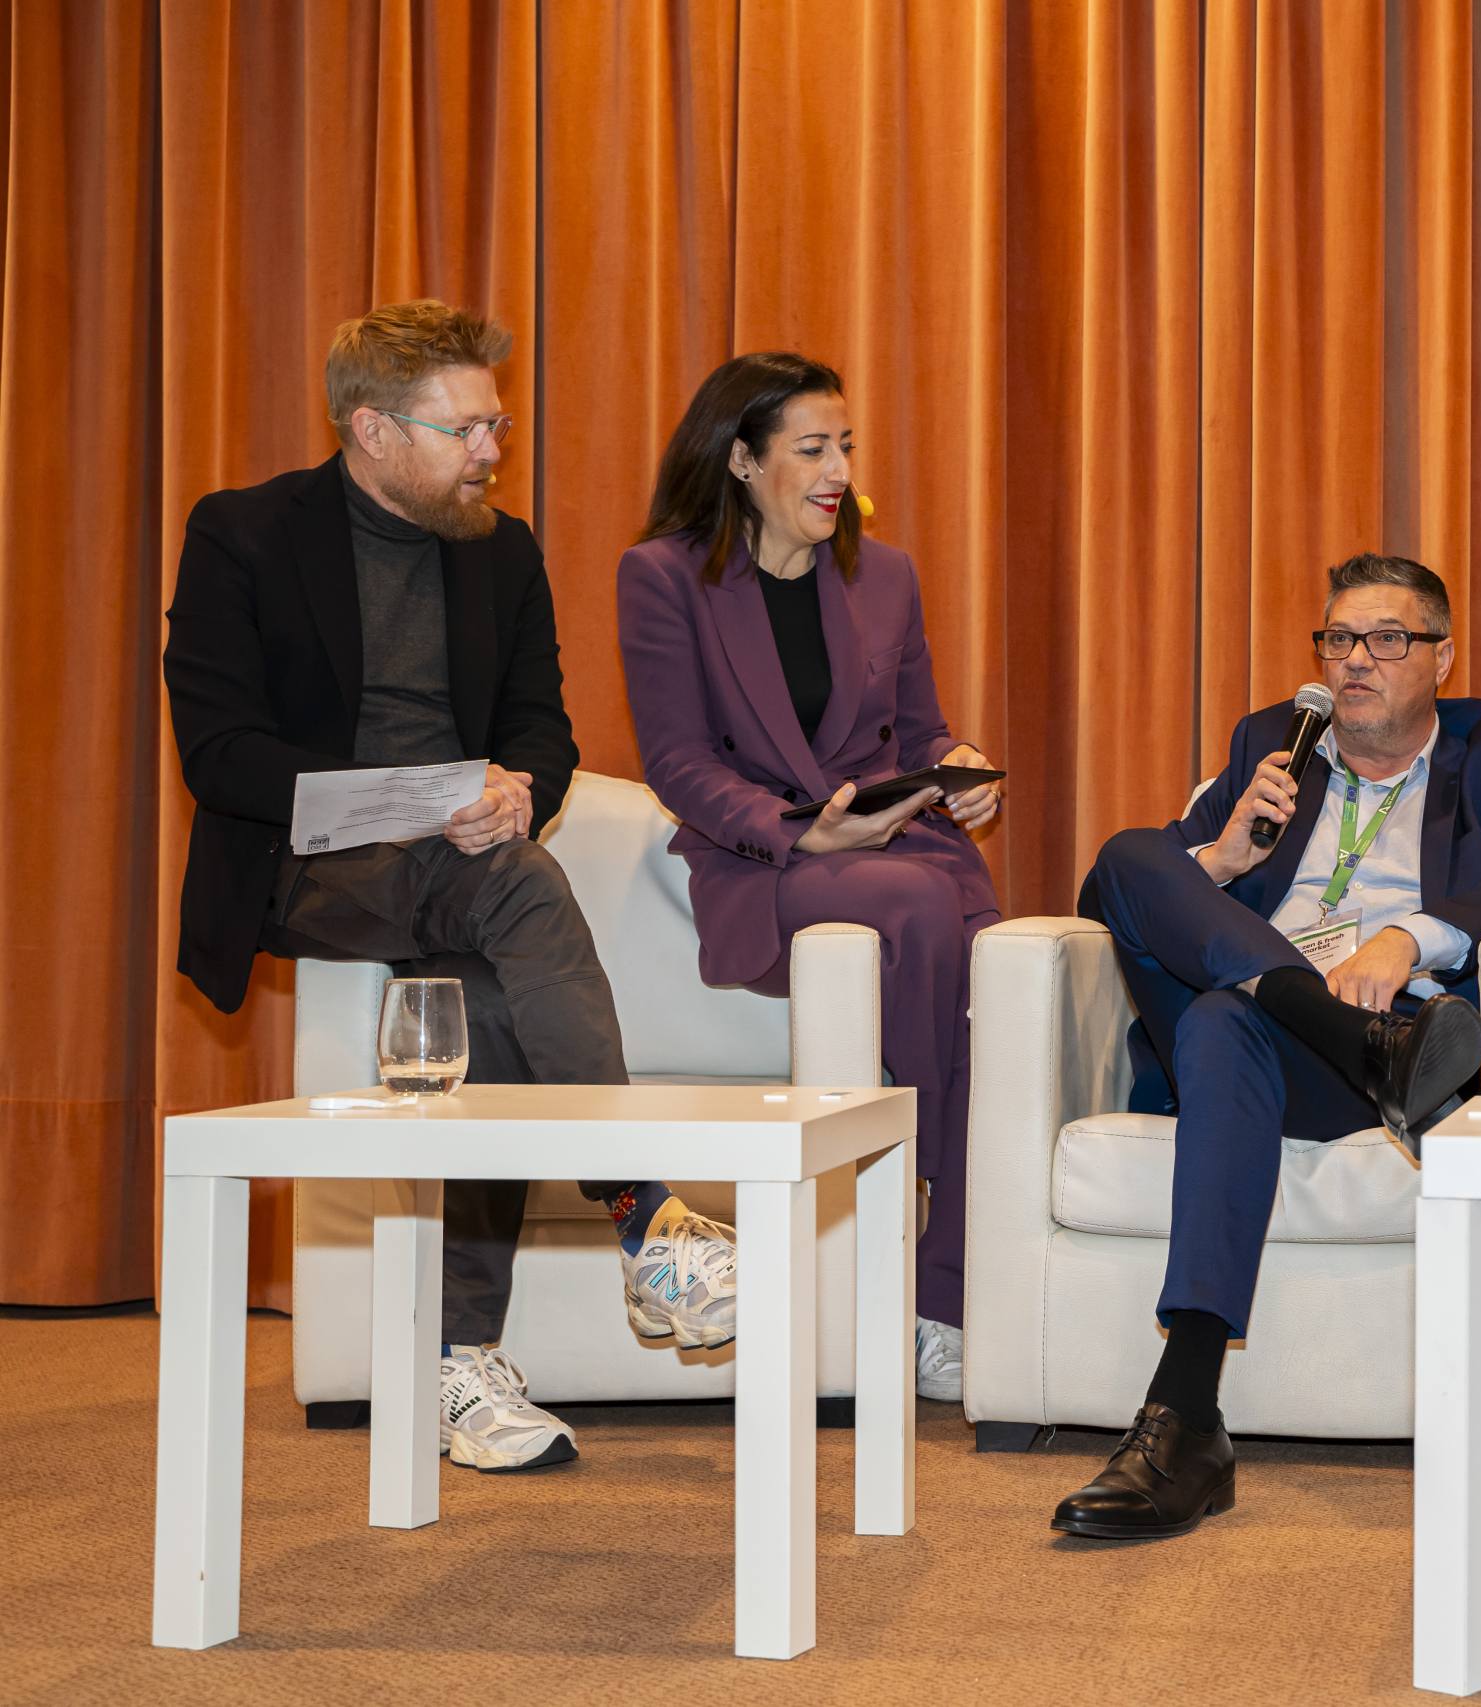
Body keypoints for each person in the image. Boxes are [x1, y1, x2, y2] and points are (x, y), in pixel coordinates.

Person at [164, 300, 739, 1474]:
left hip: (462, 869)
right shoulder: (244, 533)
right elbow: (219, 755)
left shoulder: (501, 549)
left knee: (483, 988)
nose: (491, 450)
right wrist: (417, 796)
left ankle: (452, 1358)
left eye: (497, 425)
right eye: (465, 429)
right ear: (374, 430)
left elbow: (542, 728)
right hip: (309, 864)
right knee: (512, 888)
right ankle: (644, 1217)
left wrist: (518, 791)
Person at [1048, 553, 1481, 1540]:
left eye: (1386, 639)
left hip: (1363, 1038)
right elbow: (1127, 898)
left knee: (1221, 1020)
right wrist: (1221, 859)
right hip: (1358, 1052)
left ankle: (1184, 1417)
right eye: (1339, 639)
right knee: (1132, 854)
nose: (1355, 661)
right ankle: (1340, 1029)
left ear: (1441, 658)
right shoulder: (1272, 742)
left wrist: (1410, 937)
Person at [616, 353, 1001, 1402]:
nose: (839, 472)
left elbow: (919, 731)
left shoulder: (886, 574)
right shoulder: (663, 577)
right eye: (813, 449)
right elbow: (677, 763)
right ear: (743, 461)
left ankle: (938, 1306)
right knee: (918, 903)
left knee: (994, 966)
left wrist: (959, 769)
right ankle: (920, 1195)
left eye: (847, 447)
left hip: (900, 842)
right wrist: (802, 838)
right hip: (766, 859)